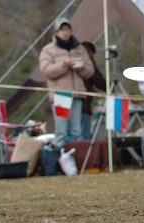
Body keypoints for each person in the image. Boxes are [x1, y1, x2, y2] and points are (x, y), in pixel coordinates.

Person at [39, 17, 94, 148]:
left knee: (77, 130)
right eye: (62, 30)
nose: (65, 32)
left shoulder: (79, 48)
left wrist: (79, 68)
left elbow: (90, 70)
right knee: (61, 130)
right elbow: (46, 71)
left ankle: (76, 160)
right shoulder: (48, 50)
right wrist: (64, 65)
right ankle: (59, 161)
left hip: (77, 95)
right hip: (60, 95)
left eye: (67, 29)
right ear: (56, 32)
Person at [80, 41, 107, 140]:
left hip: (70, 103)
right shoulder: (87, 64)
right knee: (83, 134)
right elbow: (98, 80)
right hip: (83, 104)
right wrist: (110, 87)